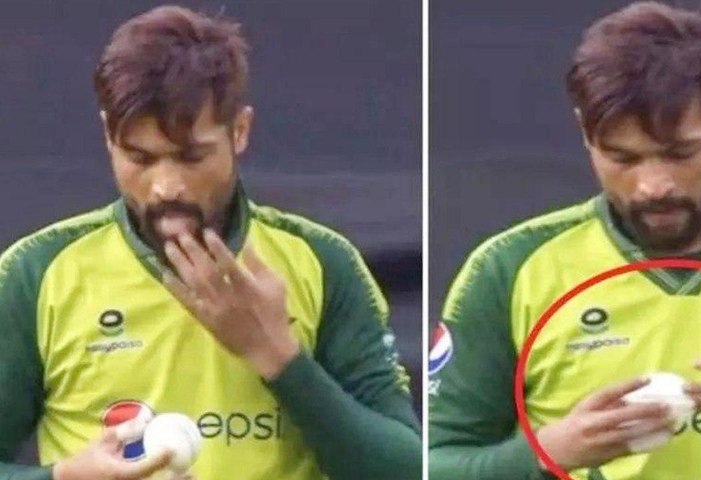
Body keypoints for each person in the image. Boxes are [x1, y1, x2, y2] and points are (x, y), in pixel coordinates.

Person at [428, 2, 701, 479]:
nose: (653, 186)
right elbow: (437, 464)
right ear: (585, 134)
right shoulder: (510, 270)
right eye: (623, 158)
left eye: (680, 154)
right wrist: (546, 453)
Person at [0, 6, 421, 480]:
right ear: (106, 136)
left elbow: (407, 470)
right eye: (140, 158)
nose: (165, 187)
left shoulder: (322, 264)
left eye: (191, 157)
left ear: (239, 131)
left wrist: (279, 357)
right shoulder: (37, 274)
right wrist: (62, 477)